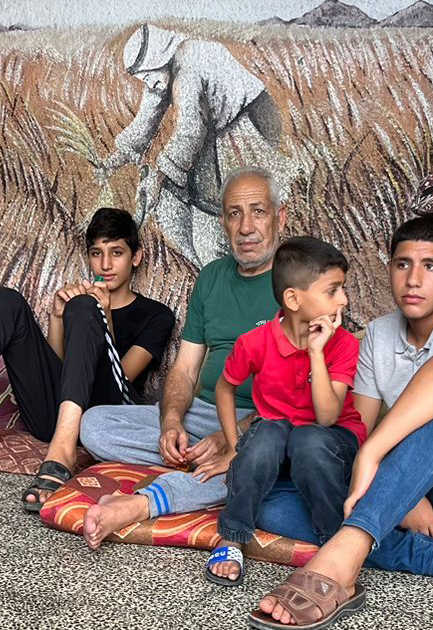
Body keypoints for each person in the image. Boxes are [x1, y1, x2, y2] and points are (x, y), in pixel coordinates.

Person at [249, 216, 433, 630]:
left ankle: (342, 560)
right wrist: (400, 492)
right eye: (403, 264)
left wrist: (375, 459)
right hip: (407, 492)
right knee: (269, 504)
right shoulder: (381, 334)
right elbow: (357, 428)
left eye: (430, 266)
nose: (413, 279)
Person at [0, 208, 175, 508]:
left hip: (104, 416)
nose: (105, 264)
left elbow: (123, 376)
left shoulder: (156, 315)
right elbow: (61, 368)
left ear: (136, 257)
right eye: (96, 253)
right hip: (55, 416)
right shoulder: (82, 304)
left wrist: (104, 317)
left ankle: (62, 453)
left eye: (117, 253)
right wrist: (57, 317)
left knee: (84, 307)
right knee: (4, 301)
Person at [78, 168, 287, 549]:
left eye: (258, 211)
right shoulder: (211, 278)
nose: (246, 227)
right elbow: (186, 369)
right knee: (94, 425)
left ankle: (144, 502)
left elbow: (296, 395)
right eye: (235, 214)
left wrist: (232, 438)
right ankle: (199, 461)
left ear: (280, 217)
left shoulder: (298, 280)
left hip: (261, 421)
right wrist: (170, 422)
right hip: (204, 412)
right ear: (223, 222)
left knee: (263, 453)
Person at [205, 237, 365, 586]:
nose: (343, 300)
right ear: (293, 299)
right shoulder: (255, 342)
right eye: (333, 291)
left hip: (331, 441)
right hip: (279, 436)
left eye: (343, 289)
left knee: (307, 439)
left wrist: (316, 353)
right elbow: (224, 389)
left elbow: (327, 417)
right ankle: (232, 536)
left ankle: (333, 543)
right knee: (266, 436)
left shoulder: (343, 344)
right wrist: (233, 446)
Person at [99, 24, 281, 267]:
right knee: (180, 199)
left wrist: (159, 176)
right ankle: (205, 266)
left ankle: (217, 264)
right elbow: (146, 121)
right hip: (213, 133)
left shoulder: (188, 69)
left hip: (245, 125)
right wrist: (112, 162)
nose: (149, 83)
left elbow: (191, 130)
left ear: (158, 59)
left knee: (215, 210)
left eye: (148, 76)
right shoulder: (165, 70)